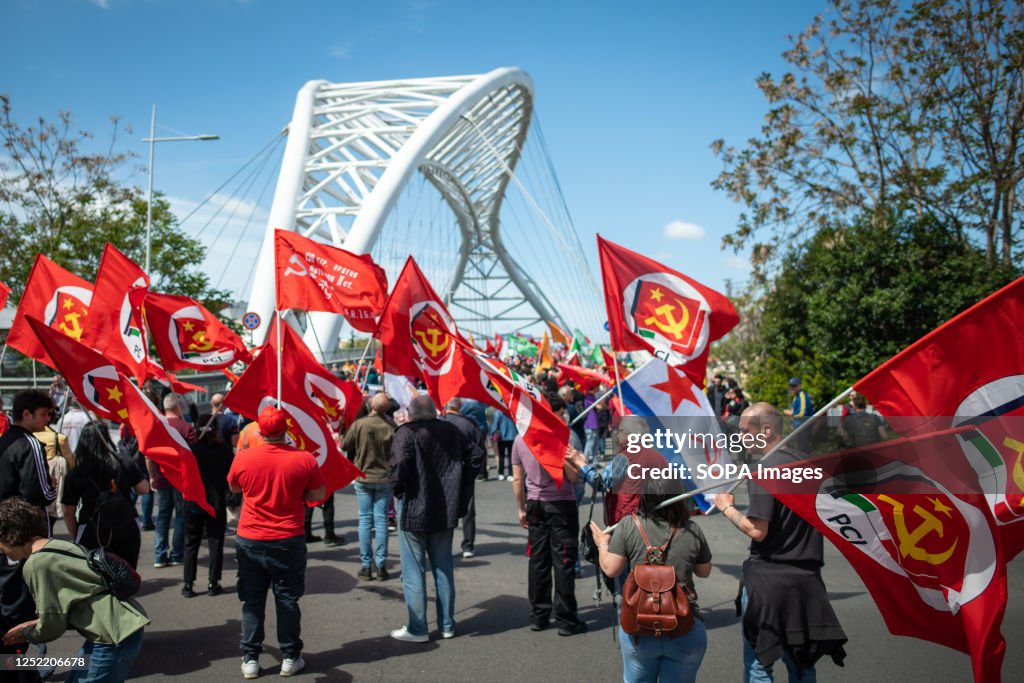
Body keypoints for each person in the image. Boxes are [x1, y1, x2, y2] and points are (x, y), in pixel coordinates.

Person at [714, 403, 846, 682]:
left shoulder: (764, 470)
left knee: (759, 665)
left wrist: (727, 508)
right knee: (802, 664)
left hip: (769, 582)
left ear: (766, 430)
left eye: (744, 431)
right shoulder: (806, 464)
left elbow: (757, 530)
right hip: (806, 580)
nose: (739, 437)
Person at [0, 497, 149, 683]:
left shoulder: (36, 564)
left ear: (9, 535)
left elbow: (52, 625)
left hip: (110, 637)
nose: (1, 550)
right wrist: (33, 624)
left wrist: (27, 634)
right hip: (120, 627)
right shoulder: (58, 545)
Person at [228, 407, 325, 679]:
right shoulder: (304, 459)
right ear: (286, 431)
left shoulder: (244, 457)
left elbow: (235, 488)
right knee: (287, 599)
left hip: (250, 538)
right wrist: (296, 491)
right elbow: (318, 493)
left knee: (252, 600)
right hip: (287, 538)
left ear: (259, 431)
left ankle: (250, 658)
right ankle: (291, 656)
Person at [590, 481, 713, 683]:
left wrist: (603, 544)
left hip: (640, 625)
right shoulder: (692, 529)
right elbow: (704, 571)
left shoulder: (628, 525)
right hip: (683, 624)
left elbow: (611, 569)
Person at [388, 395, 483, 643]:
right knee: (443, 568)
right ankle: (447, 624)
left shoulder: (406, 432)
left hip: (414, 508)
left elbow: (398, 466)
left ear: (410, 413)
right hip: (444, 507)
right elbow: (476, 456)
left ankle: (418, 628)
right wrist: (461, 484)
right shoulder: (449, 429)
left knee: (414, 571)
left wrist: (398, 490)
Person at [0, 390, 58, 679]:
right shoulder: (29, 444)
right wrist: (54, 486)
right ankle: (22, 672)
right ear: (27, 414)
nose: (48, 420)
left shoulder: (4, 442)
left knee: (7, 606)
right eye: (45, 414)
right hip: (21, 539)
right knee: (20, 613)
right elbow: (40, 493)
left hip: (5, 537)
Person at [512, 424, 588, 636]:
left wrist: (520, 508)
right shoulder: (558, 437)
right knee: (563, 561)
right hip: (560, 503)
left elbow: (518, 479)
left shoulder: (520, 439)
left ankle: (539, 614)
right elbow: (573, 478)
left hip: (535, 503)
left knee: (538, 559)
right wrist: (577, 459)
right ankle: (565, 619)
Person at [61, 422, 149, 569]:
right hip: (126, 526)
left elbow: (68, 512)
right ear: (106, 437)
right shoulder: (124, 460)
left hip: (91, 529)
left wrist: (76, 536)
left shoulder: (76, 472)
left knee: (95, 577)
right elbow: (144, 489)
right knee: (126, 574)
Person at [341, 392, 396, 581]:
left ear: (372, 406)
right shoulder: (391, 426)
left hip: (364, 477)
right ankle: (380, 565)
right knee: (380, 521)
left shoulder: (360, 424)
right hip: (383, 478)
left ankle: (366, 565)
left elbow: (345, 445)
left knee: (365, 520)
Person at [182, 412, 232, 598]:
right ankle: (213, 582)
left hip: (193, 502)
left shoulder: (190, 450)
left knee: (191, 544)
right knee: (215, 542)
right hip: (216, 502)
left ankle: (188, 584)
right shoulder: (225, 450)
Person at [149, 394, 195, 568]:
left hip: (161, 478)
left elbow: (149, 455)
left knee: (162, 516)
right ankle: (177, 554)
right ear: (178, 407)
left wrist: (152, 475)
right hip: (180, 479)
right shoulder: (186, 427)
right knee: (180, 516)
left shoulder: (156, 426)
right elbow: (192, 455)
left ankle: (160, 555)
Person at [441, 397, 486, 559]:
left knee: (445, 508)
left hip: (444, 473)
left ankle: (445, 544)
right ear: (460, 407)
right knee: (468, 510)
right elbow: (480, 451)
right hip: (465, 471)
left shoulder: (440, 422)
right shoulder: (469, 423)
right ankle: (468, 545)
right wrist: (472, 472)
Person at [489, 408, 517, 481]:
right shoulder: (513, 412)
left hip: (501, 437)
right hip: (513, 436)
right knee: (511, 456)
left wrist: (492, 434)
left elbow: (494, 425)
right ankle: (511, 474)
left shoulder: (498, 412)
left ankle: (501, 473)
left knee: (501, 455)